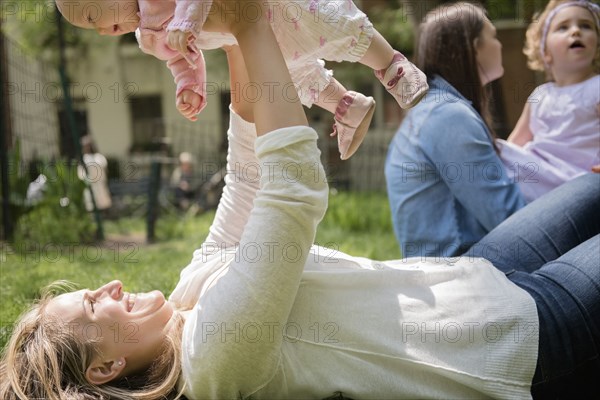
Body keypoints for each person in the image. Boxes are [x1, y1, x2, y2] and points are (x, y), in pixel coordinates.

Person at [2, 6, 599, 400]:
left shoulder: (189, 294)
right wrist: (256, 22)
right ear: (105, 370)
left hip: (474, 276)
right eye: (92, 306)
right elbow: (290, 194)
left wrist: (234, 34)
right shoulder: (214, 359)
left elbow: (246, 177)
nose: (108, 286)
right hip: (517, 333)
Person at [55, 0, 429, 160]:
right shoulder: (146, 37)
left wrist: (185, 24)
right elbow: (181, 60)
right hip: (246, 33)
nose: (101, 31)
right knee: (287, 70)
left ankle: (392, 65)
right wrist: (189, 85)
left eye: (92, 17)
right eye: (91, 28)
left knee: (323, 20)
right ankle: (345, 105)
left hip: (264, 5)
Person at [385, 2, 526, 258]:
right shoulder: (448, 116)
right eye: (493, 37)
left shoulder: (437, 110)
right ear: (474, 47)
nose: (501, 44)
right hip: (462, 271)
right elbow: (508, 216)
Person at [498, 0, 600, 202]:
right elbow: (515, 143)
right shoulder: (540, 95)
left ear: (597, 47)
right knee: (497, 150)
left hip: (578, 179)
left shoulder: (596, 87)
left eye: (586, 26)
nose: (576, 31)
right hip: (540, 174)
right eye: (563, 27)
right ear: (545, 51)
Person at [77, 135, 113, 214]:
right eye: (86, 146)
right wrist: (86, 179)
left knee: (103, 202)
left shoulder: (99, 157)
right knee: (90, 203)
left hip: (100, 184)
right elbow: (81, 173)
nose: (88, 147)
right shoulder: (83, 158)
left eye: (89, 145)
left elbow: (104, 168)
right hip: (89, 184)